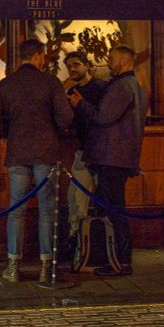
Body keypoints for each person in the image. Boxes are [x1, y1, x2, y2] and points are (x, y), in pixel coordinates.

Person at [0, 38, 73, 283]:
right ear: (38, 56)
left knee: (16, 209)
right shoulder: (50, 82)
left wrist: (10, 132)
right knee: (47, 209)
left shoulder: (6, 85)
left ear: (21, 57)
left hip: (17, 152)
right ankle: (46, 266)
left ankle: (14, 266)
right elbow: (66, 117)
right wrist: (54, 128)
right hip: (46, 152)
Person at [69, 45, 146, 276]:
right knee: (113, 209)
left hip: (112, 157)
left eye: (111, 59)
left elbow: (102, 116)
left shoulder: (122, 86)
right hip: (121, 157)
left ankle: (120, 261)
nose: (108, 62)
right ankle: (116, 259)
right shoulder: (136, 86)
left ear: (123, 61)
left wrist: (79, 103)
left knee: (114, 211)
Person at [61, 50, 108, 254]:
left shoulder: (100, 88)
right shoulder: (71, 91)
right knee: (74, 196)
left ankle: (83, 243)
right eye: (69, 66)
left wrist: (80, 103)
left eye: (76, 65)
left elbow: (102, 117)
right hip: (81, 150)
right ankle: (77, 239)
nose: (72, 69)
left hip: (98, 151)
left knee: (85, 197)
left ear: (87, 65)